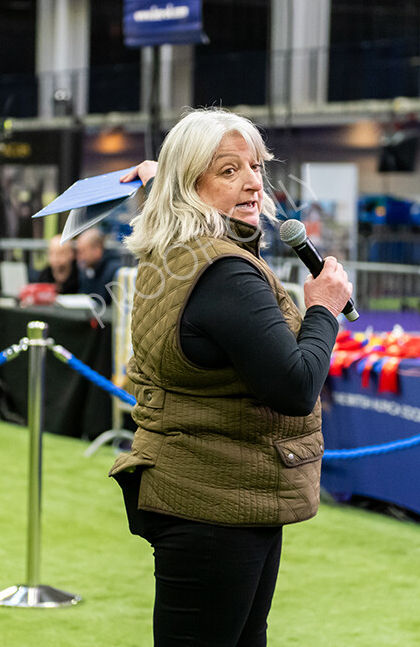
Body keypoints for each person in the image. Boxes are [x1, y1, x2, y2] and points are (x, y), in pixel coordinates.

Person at [110, 108, 353, 647]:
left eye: (256, 166)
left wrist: (166, 175)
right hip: (216, 504)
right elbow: (294, 387)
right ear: (189, 185)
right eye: (227, 170)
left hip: (217, 494)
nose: (252, 183)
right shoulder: (224, 272)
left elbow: (182, 202)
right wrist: (324, 309)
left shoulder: (177, 248)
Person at [76, 227, 121, 298]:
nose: (79, 257)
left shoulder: (114, 272)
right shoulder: (88, 269)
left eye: (82, 252)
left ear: (97, 250)